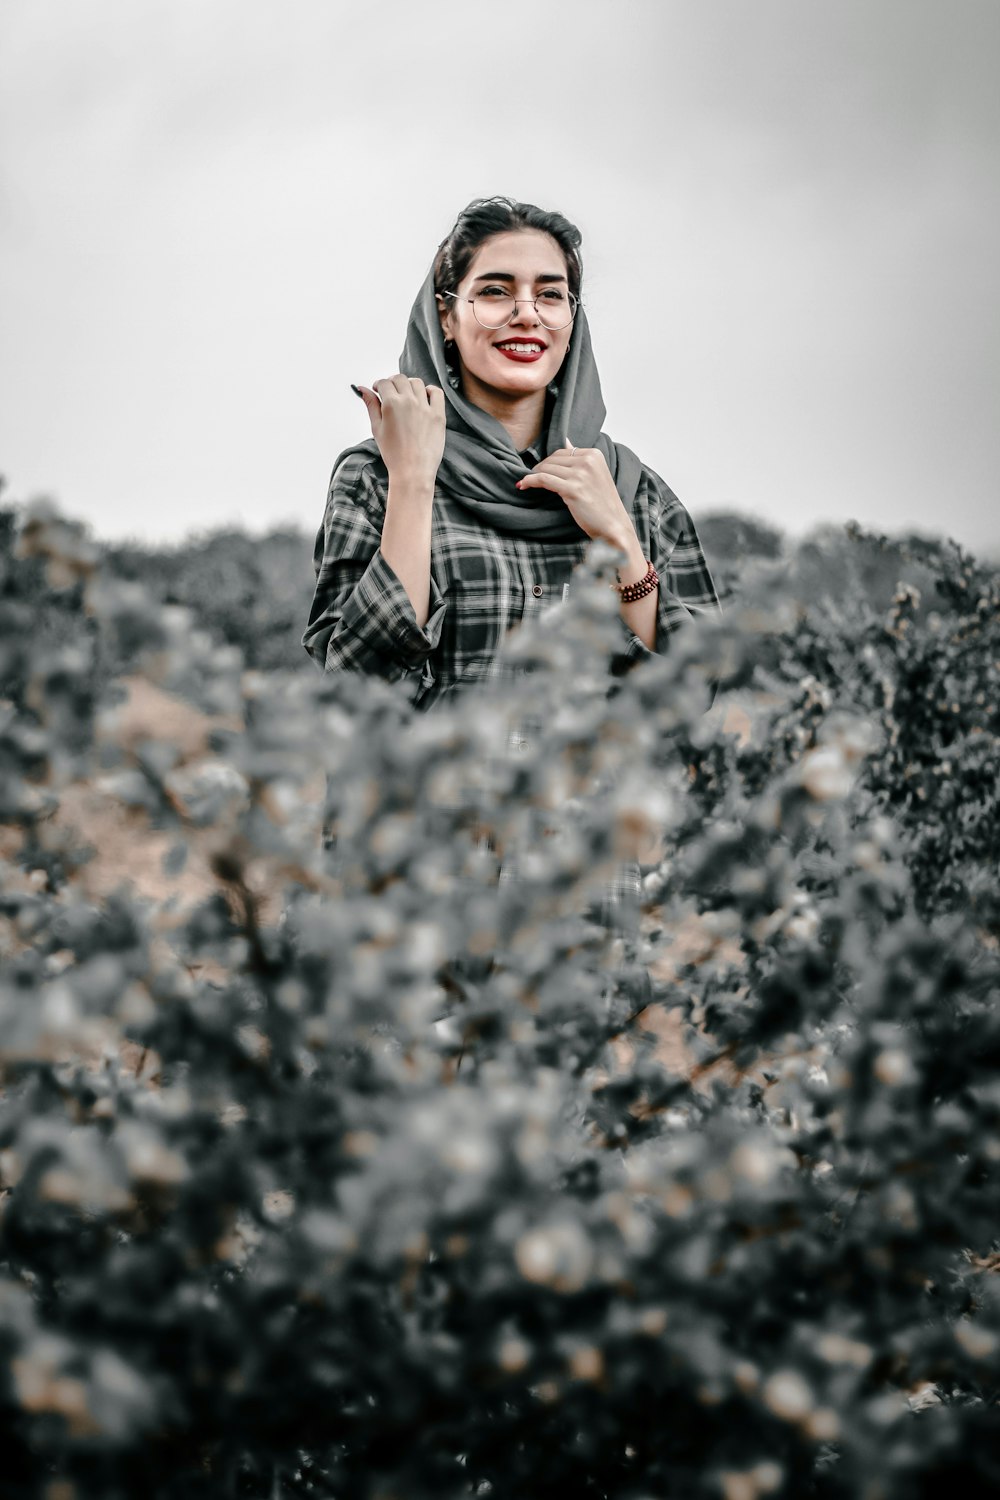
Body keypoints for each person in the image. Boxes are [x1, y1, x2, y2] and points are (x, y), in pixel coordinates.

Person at [302, 196, 720, 706]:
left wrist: (620, 538)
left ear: (572, 320)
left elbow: (693, 696)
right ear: (447, 316)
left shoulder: (637, 494)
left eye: (550, 294)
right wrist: (413, 481)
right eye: (495, 291)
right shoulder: (376, 477)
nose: (526, 314)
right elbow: (355, 696)